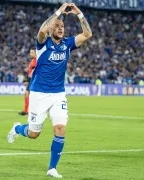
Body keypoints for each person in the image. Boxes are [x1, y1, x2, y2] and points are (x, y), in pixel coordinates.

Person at [7, 3, 92, 178]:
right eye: (57, 26)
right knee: (33, 134)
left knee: (60, 129)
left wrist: (79, 14)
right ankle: (17, 129)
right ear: (51, 27)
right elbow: (42, 31)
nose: (60, 29)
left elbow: (87, 34)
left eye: (62, 26)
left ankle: (52, 168)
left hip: (58, 94)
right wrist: (59, 11)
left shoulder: (68, 44)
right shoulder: (42, 44)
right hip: (39, 93)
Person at [18, 48, 37, 116]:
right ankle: (26, 111)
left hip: (34, 80)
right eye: (30, 52)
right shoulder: (33, 60)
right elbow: (30, 71)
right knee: (26, 94)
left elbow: (33, 72)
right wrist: (28, 69)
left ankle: (32, 111)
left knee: (32, 96)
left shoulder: (36, 61)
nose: (30, 53)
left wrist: (27, 80)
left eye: (32, 52)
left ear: (35, 53)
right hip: (31, 80)